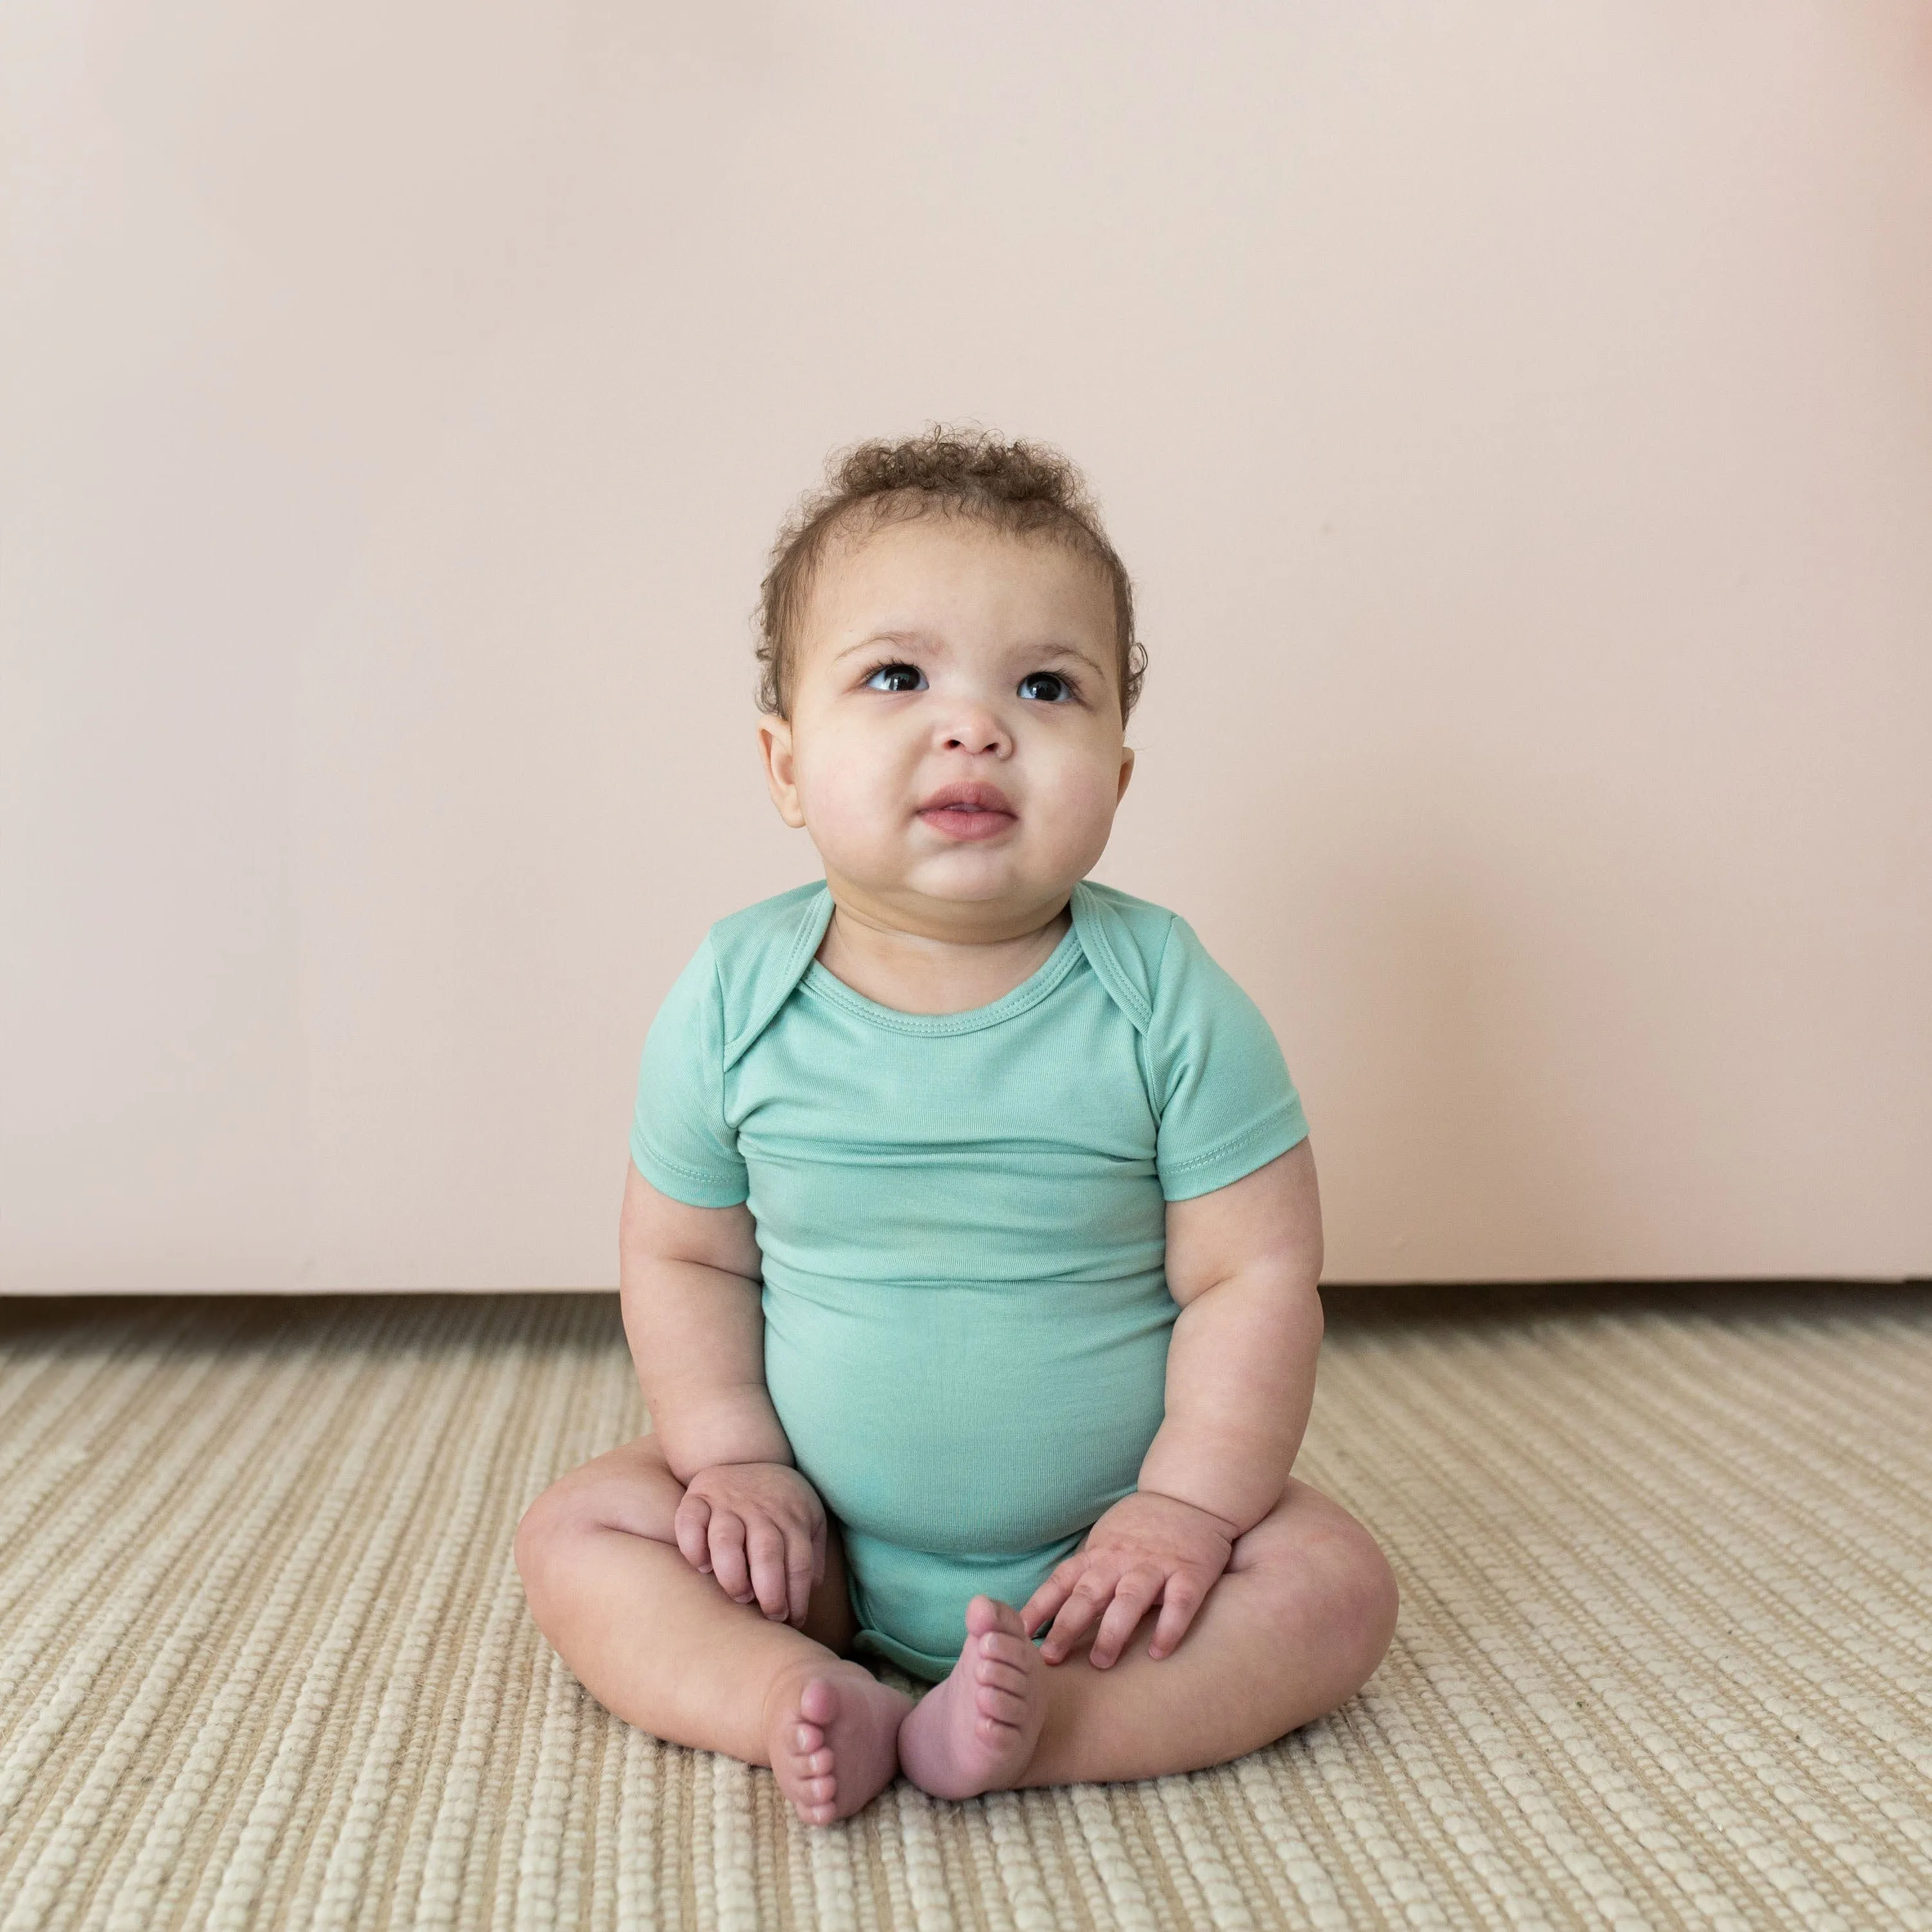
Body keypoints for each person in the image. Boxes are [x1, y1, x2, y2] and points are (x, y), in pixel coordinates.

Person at [515, 427, 1399, 1825]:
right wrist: (735, 1461)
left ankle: (1065, 1722)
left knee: (1337, 1587)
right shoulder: (733, 996)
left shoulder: (1167, 994)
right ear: (787, 764)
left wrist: (1185, 1508)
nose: (975, 725)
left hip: (1107, 1554)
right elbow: (684, 1258)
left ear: (1117, 773)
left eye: (1048, 685)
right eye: (896, 676)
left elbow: (1254, 1271)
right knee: (581, 1534)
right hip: (817, 1549)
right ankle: (791, 1696)